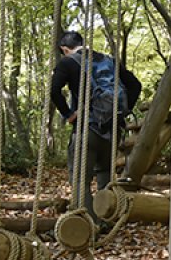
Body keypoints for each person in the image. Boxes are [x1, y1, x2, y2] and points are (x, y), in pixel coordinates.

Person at [50, 31, 140, 220]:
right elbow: (135, 85)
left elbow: (54, 90)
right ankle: (106, 221)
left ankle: (90, 225)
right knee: (105, 177)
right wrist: (121, 112)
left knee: (80, 180)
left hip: (87, 129)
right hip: (112, 130)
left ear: (65, 49)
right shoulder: (109, 61)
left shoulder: (68, 62)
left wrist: (69, 114)